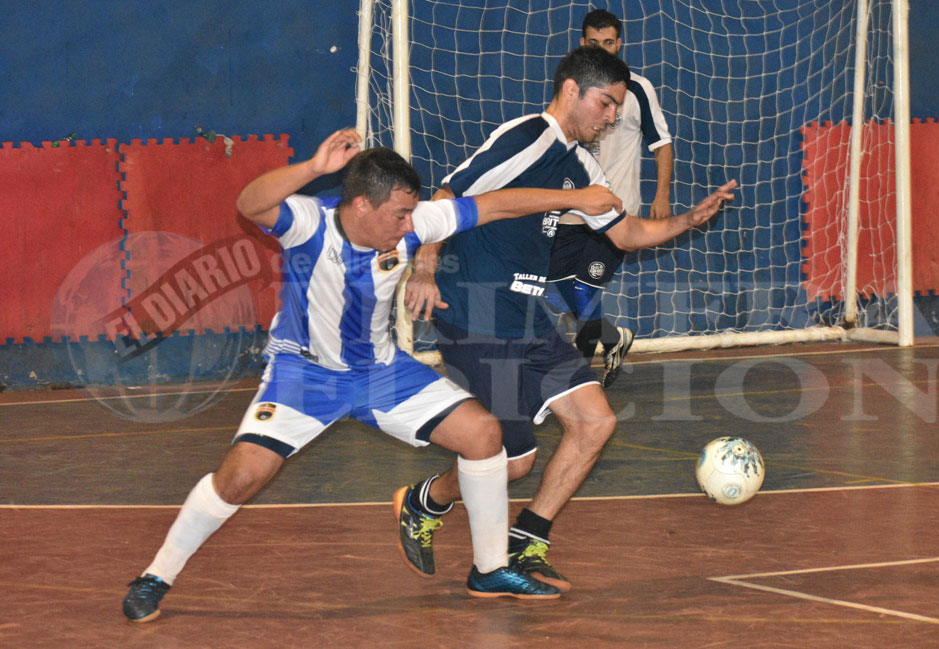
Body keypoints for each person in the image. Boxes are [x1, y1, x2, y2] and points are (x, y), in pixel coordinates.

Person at [121, 128, 627, 622]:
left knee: (483, 434)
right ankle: (156, 576)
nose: (411, 224)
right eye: (400, 213)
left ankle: (490, 569)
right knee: (241, 476)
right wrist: (314, 169)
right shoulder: (308, 221)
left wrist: (578, 197)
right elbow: (249, 204)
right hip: (306, 375)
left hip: (380, 371)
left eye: (414, 212)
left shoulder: (413, 224)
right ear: (361, 205)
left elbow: (496, 204)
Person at [400, 46, 736, 592]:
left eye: (618, 109)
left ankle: (527, 543)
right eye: (606, 104)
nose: (610, 118)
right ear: (572, 90)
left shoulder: (582, 166)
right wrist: (426, 266)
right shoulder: (528, 136)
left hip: (526, 314)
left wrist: (689, 219)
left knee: (594, 422)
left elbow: (625, 234)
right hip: (476, 309)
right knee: (512, 462)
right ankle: (425, 502)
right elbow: (448, 194)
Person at [549, 8, 676, 387]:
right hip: (573, 210)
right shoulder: (573, 88)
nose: (602, 49)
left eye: (609, 43)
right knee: (560, 289)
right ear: (581, 43)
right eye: (594, 43)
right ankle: (613, 338)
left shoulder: (637, 89)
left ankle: (571, 385)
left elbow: (662, 143)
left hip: (615, 214)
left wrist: (662, 195)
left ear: (620, 44)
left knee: (586, 289)